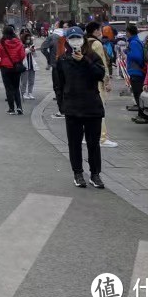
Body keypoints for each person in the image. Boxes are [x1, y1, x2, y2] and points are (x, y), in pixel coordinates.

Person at [52, 27, 107, 189]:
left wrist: (84, 60)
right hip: (72, 107)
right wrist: (62, 106)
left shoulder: (92, 56)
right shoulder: (62, 60)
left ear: (83, 39)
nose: (75, 40)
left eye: (78, 37)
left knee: (93, 143)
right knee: (74, 143)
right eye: (72, 38)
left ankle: (95, 174)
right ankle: (78, 173)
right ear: (67, 40)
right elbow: (58, 85)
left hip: (92, 106)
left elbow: (99, 74)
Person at [84, 22, 118, 149]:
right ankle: (102, 138)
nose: (101, 32)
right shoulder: (97, 43)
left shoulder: (84, 42)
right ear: (96, 31)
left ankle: (87, 136)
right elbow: (102, 64)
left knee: (87, 110)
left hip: (85, 81)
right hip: (97, 81)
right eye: (100, 30)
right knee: (100, 109)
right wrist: (107, 80)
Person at [0, 25, 27, 116]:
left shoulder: (1, 43)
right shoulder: (18, 42)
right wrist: (18, 61)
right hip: (16, 67)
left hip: (5, 68)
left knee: (8, 88)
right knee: (16, 87)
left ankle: (11, 108)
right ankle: (19, 107)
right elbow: (22, 55)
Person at [126, 23, 148, 124]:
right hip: (137, 72)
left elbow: (137, 57)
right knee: (138, 94)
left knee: (138, 94)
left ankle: (143, 116)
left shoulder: (134, 43)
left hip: (137, 72)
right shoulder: (136, 41)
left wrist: (128, 53)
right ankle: (141, 114)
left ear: (128, 32)